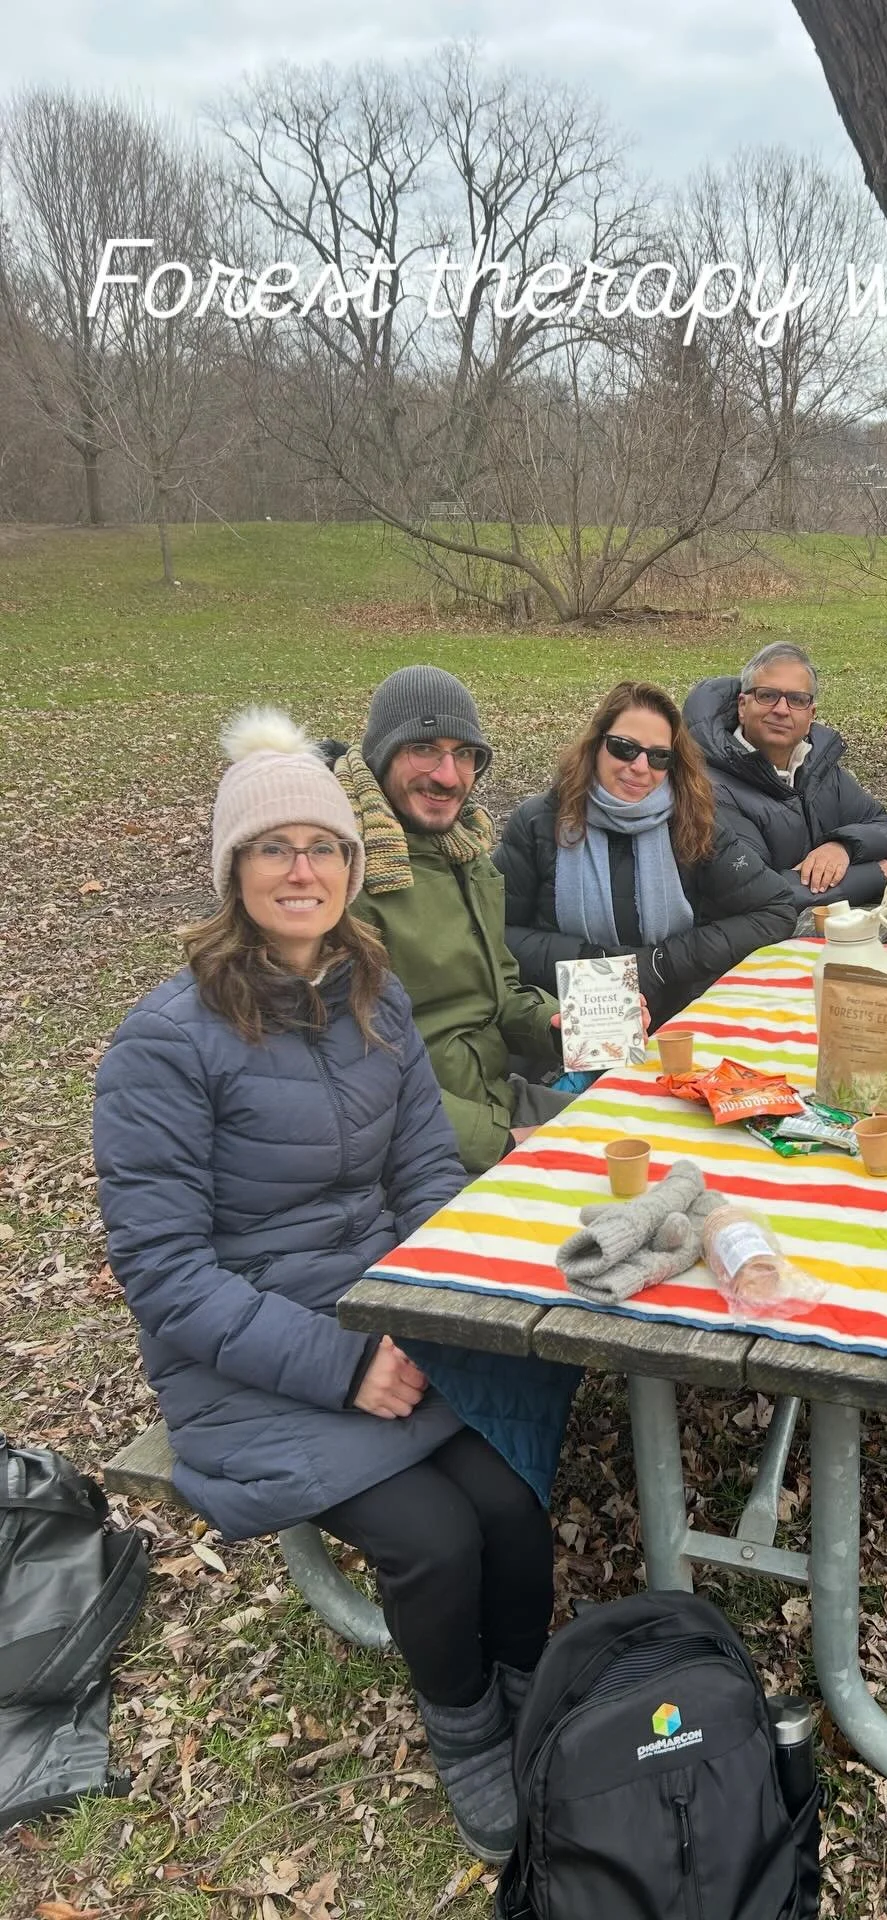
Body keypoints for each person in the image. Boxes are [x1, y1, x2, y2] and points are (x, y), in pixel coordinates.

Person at [93, 711, 572, 1860]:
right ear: (234, 872)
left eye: (323, 847)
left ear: (354, 868)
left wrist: (424, 1313)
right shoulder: (163, 1045)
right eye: (274, 849)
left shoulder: (375, 996)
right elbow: (166, 1275)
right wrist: (348, 1362)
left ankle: (524, 1707)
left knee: (513, 1503)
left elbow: (419, 1177)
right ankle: (463, 1732)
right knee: (436, 1539)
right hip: (249, 1360)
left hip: (384, 1318)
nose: (301, 869)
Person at [326, 666, 569, 1174]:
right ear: (381, 755)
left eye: (465, 754)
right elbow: (348, 1070)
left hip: (498, 1099)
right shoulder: (340, 874)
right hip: (423, 1141)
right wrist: (499, 1142)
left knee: (653, 1138)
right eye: (424, 749)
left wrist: (554, 1024)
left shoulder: (465, 851)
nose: (448, 775)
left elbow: (500, 990)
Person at [495, 681, 797, 1025]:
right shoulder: (540, 822)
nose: (640, 767)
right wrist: (590, 959)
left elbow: (775, 910)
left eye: (658, 756)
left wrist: (662, 962)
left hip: (677, 1018)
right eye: (624, 748)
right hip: (564, 1022)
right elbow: (493, 933)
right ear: (596, 745)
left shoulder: (693, 821)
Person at [683, 641, 887, 909]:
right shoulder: (710, 787)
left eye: (797, 700)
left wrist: (843, 846)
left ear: (811, 715)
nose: (781, 709)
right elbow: (756, 892)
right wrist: (877, 874)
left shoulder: (818, 768)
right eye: (767, 695)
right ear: (742, 706)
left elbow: (884, 827)